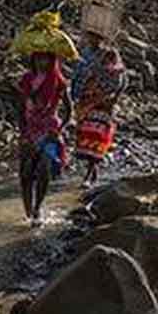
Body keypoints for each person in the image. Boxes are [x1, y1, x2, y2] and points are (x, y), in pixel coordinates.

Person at [18, 52, 74, 226]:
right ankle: (28, 210)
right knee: (26, 172)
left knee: (44, 167)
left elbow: (69, 110)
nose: (42, 62)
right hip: (30, 129)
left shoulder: (58, 80)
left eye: (46, 59)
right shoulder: (27, 80)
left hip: (50, 130)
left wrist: (60, 129)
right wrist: (22, 132)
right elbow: (20, 108)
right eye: (38, 58)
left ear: (52, 60)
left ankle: (37, 209)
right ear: (32, 59)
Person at [71, 30, 127, 187]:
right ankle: (91, 171)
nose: (94, 40)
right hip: (86, 102)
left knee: (97, 136)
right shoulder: (85, 53)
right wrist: (76, 96)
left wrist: (114, 99)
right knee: (85, 136)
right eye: (91, 36)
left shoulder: (109, 54)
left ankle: (89, 173)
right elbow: (78, 75)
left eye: (97, 37)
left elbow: (121, 79)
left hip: (104, 103)